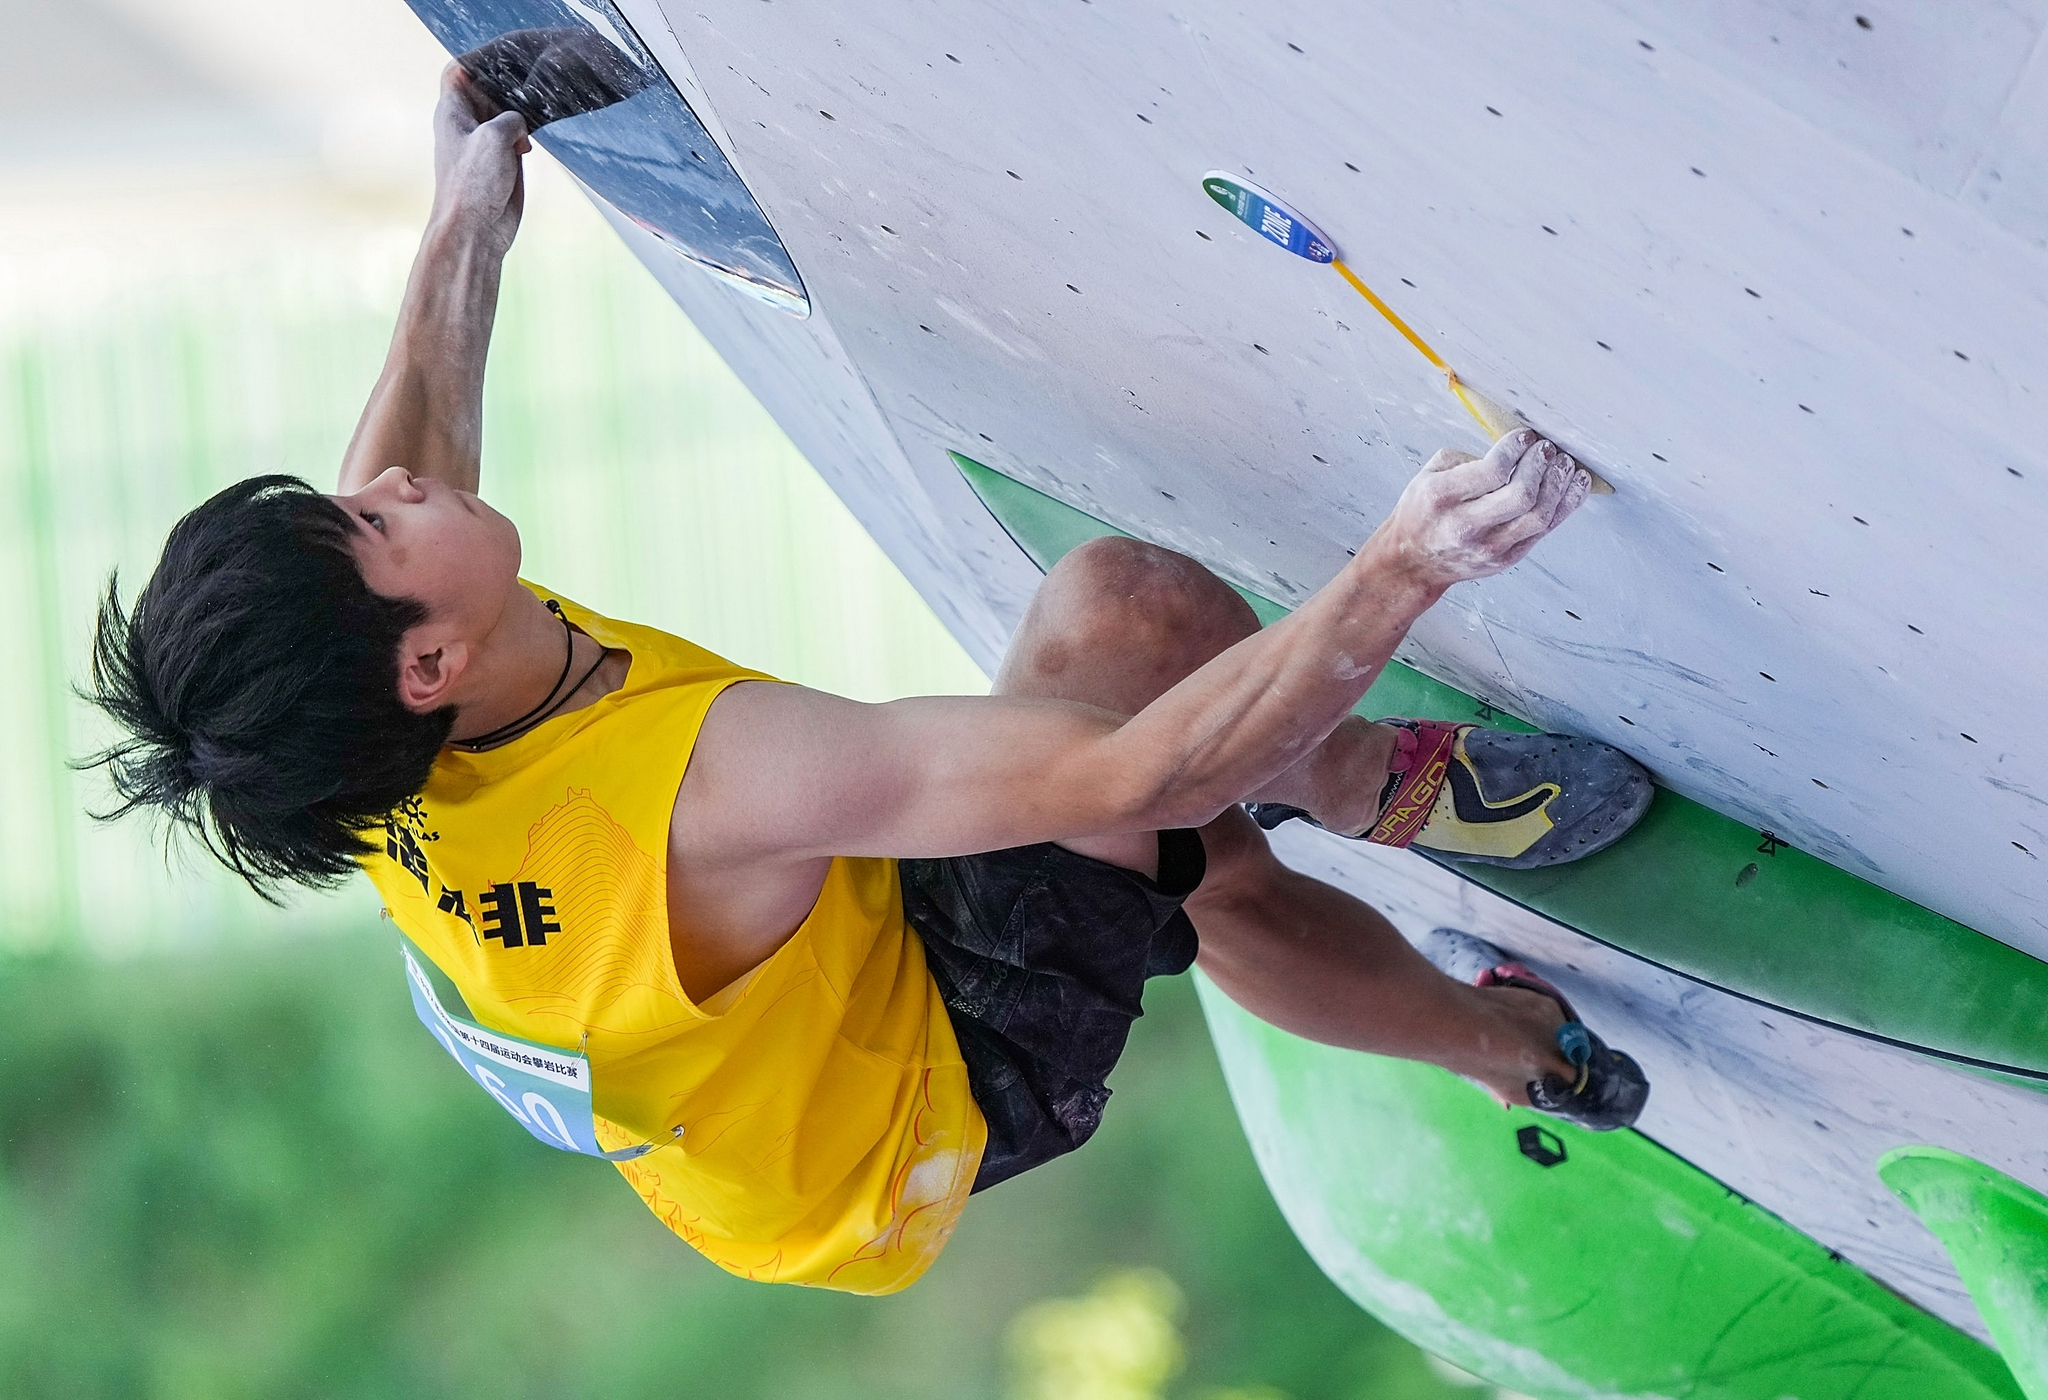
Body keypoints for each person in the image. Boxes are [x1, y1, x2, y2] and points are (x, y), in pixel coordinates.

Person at [84, 63, 1651, 1295]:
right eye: (371, 526)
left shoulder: (353, 726)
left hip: (762, 1072)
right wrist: (1401, 568)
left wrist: (466, 210)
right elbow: (1129, 774)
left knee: (1191, 855)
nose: (394, 489)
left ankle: (1519, 1042)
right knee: (1139, 658)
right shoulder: (703, 782)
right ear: (426, 660)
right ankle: (1403, 812)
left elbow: (408, 449)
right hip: (930, 1094)